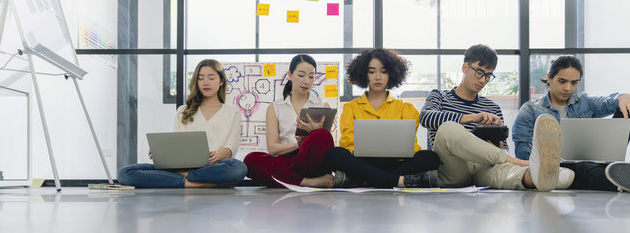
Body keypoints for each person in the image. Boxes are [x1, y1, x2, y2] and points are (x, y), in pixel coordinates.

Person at [420, 44, 572, 191]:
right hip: (452, 168)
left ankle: (536, 176)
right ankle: (523, 163)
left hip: (483, 167)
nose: (483, 80)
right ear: (465, 67)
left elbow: (503, 148)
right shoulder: (439, 96)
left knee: (502, 173)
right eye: (479, 72)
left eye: (488, 75)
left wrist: (497, 146)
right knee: (448, 128)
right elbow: (426, 118)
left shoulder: (492, 107)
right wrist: (471, 118)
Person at [513, 55, 630, 192]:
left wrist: (624, 96)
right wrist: (553, 158)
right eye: (562, 81)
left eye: (574, 83)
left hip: (598, 162)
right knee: (583, 169)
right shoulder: (530, 110)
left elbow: (608, 102)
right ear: (549, 77)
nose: (568, 88)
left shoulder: (584, 102)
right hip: (561, 169)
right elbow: (522, 153)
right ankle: (626, 181)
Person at [118, 59, 247, 188]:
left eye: (211, 78)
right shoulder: (183, 111)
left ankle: (183, 178)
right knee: (126, 173)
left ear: (221, 81)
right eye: (200, 78)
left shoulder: (232, 112)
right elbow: (177, 143)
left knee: (238, 168)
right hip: (182, 167)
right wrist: (162, 151)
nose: (205, 82)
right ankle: (198, 183)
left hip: (216, 166)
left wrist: (218, 156)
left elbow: (231, 147)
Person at [325, 48, 440, 188]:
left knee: (430, 158)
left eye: (384, 71)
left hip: (394, 162)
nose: (378, 77)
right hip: (362, 161)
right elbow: (348, 145)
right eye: (372, 72)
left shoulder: (406, 108)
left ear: (391, 74)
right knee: (334, 154)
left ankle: (362, 180)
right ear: (363, 73)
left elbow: (411, 148)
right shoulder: (351, 107)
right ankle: (399, 181)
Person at [243, 55, 335, 188]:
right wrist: (298, 145)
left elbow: (324, 145)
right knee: (250, 160)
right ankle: (305, 182)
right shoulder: (275, 107)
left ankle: (289, 180)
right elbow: (273, 148)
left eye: (311, 76)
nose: (307, 81)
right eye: (301, 75)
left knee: (322, 134)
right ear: (290, 75)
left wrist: (313, 133)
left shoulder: (322, 105)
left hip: (311, 160)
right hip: (288, 160)